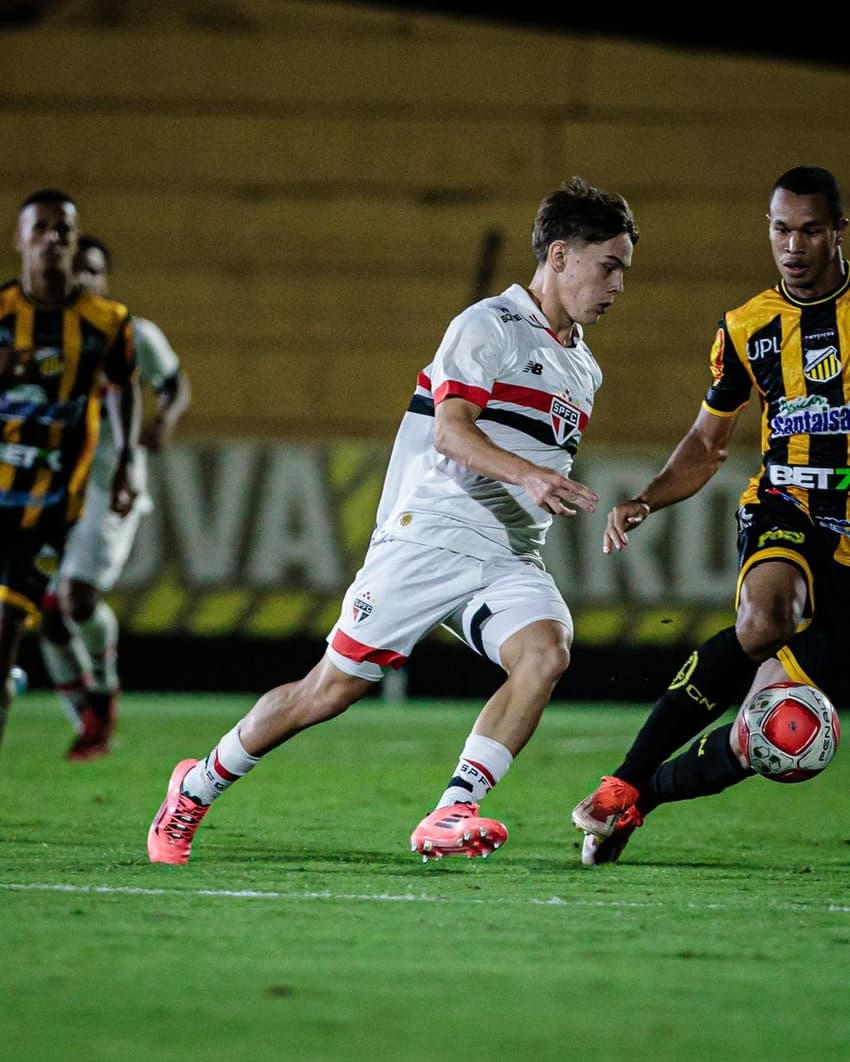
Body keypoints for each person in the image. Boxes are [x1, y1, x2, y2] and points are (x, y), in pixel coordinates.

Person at [146, 175, 640, 865]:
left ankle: (453, 809)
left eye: (624, 270)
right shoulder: (486, 326)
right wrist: (529, 474)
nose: (618, 285)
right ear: (559, 256)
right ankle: (193, 788)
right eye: (608, 266)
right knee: (328, 692)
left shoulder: (584, 367)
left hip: (507, 556)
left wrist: (538, 490)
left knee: (546, 651)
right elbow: (451, 434)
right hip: (429, 536)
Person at [572, 164, 850, 865]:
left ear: (840, 232)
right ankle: (622, 780)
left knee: (772, 732)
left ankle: (642, 802)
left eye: (811, 230)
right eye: (781, 229)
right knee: (763, 619)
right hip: (786, 508)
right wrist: (646, 499)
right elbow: (707, 442)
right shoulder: (748, 328)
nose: (794, 245)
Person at [39, 234, 191, 761]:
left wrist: (165, 419)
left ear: (105, 278)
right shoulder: (37, 335)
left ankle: (103, 692)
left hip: (111, 487)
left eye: (93, 270)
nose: (83, 279)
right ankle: (87, 718)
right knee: (48, 613)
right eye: (75, 269)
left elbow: (174, 384)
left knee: (76, 598)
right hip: (49, 486)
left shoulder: (131, 333)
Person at [0, 189, 140, 748]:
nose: (54, 238)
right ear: (20, 239)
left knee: (19, 624)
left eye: (65, 230)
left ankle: (89, 702)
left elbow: (128, 387)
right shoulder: (4, 313)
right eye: (43, 229)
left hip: (48, 506)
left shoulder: (106, 323)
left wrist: (129, 459)